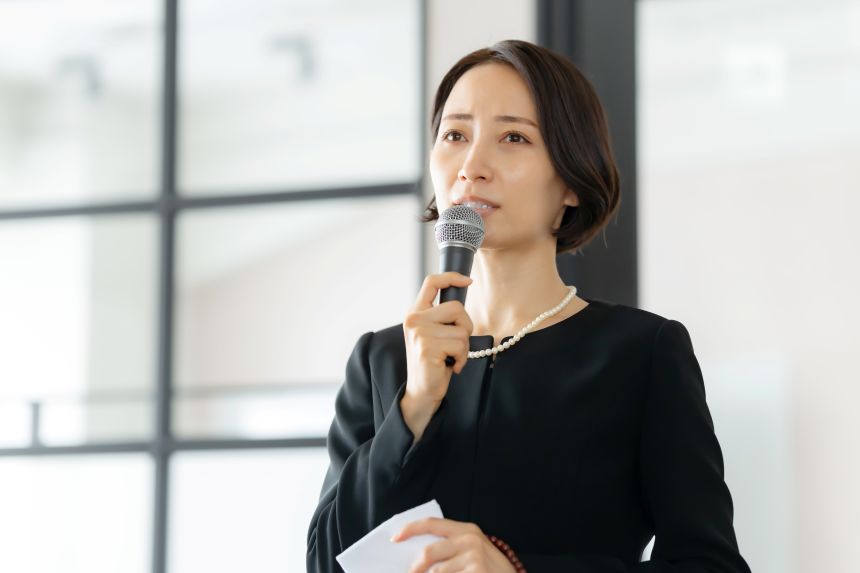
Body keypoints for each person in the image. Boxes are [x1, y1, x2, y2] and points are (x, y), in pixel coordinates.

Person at [306, 39, 751, 573]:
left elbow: (710, 565)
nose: (472, 166)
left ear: (571, 180)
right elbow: (323, 564)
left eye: (513, 137)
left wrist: (515, 570)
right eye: (455, 135)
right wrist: (413, 407)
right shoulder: (382, 361)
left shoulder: (640, 353)